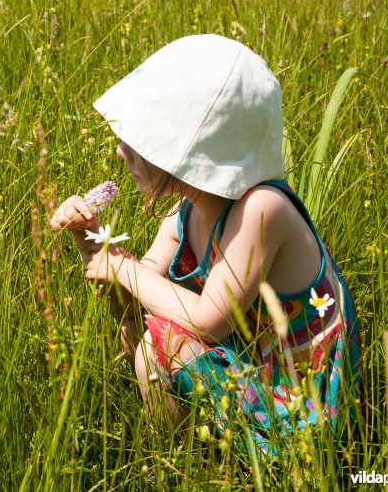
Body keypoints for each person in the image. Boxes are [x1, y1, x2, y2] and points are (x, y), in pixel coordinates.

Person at [49, 34, 363, 456]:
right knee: (148, 341)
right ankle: (186, 463)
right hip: (253, 368)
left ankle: (193, 462)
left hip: (300, 399)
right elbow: (135, 305)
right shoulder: (186, 214)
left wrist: (124, 267)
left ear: (196, 145)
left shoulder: (261, 209)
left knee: (154, 348)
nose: (121, 151)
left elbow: (208, 321)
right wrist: (91, 241)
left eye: (142, 141)